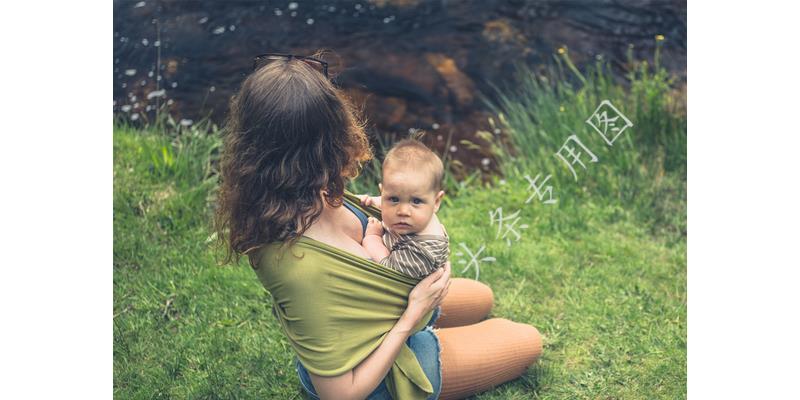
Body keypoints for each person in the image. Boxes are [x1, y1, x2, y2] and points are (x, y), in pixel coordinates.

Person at [214, 51, 543, 400]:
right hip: (375, 367)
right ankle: (426, 345)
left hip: (386, 306)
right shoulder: (295, 262)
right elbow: (340, 394)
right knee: (526, 339)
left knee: (482, 298)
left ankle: (427, 323)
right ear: (323, 138)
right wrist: (412, 315)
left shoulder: (308, 188)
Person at [360, 138, 449, 279]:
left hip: (405, 297)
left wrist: (373, 237)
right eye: (394, 199)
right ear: (383, 193)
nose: (403, 211)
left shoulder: (423, 250)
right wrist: (373, 201)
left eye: (416, 201)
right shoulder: (419, 217)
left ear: (436, 202)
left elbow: (388, 268)